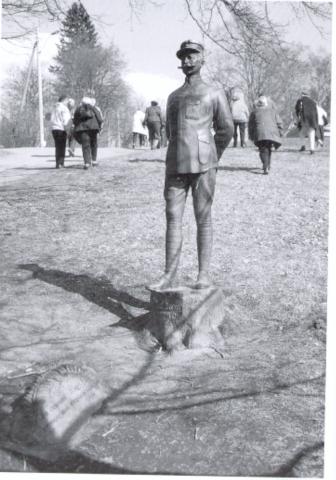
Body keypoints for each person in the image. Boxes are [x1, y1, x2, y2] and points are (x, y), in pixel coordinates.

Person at [149, 40, 234, 290]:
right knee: (172, 217)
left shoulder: (214, 93)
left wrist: (211, 153)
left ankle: (203, 275)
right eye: (183, 57)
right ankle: (169, 275)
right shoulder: (173, 96)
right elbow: (171, 132)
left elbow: (226, 129)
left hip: (204, 164)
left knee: (203, 217)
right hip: (175, 163)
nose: (187, 61)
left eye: (192, 55)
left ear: (202, 59)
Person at [248, 95, 283, 175]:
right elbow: (279, 122)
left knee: (263, 149)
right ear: (266, 104)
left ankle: (265, 165)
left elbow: (251, 125)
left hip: (260, 133)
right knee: (268, 148)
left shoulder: (254, 112)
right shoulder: (272, 111)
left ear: (258, 104)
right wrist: (280, 131)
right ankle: (267, 165)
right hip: (272, 133)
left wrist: (251, 135)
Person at [73, 97, 103, 169]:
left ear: (82, 102)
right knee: (94, 144)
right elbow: (100, 118)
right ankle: (94, 160)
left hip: (82, 129)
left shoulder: (78, 108)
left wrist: (77, 126)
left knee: (85, 145)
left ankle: (87, 163)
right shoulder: (94, 108)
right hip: (93, 128)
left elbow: (75, 119)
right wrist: (99, 127)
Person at [295, 89, 320, 154]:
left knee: (301, 133)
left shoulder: (300, 100)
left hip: (304, 120)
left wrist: (298, 119)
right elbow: (316, 112)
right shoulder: (313, 102)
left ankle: (303, 146)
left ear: (302, 94)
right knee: (311, 133)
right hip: (312, 120)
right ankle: (312, 149)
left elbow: (298, 110)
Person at [50, 95, 72, 169]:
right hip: (61, 128)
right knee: (62, 147)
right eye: (67, 101)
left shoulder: (54, 107)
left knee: (57, 147)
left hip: (54, 128)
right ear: (64, 100)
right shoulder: (64, 108)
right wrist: (68, 129)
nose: (67, 103)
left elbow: (50, 117)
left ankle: (57, 163)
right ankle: (61, 163)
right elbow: (66, 120)